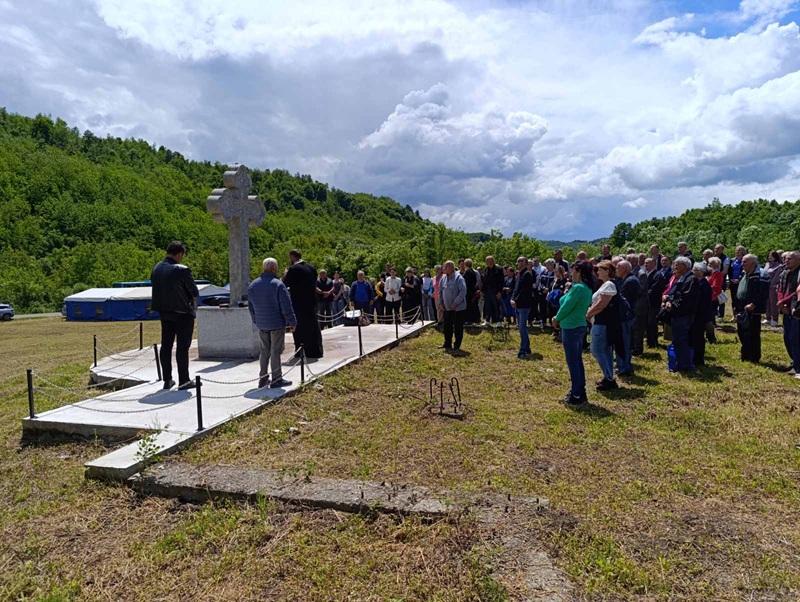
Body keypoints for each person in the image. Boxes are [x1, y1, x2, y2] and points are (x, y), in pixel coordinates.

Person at [151, 241, 199, 390]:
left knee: (166, 346)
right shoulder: (182, 270)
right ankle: (184, 380)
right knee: (182, 348)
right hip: (183, 313)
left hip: (165, 313)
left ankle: (167, 379)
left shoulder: (156, 268)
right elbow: (194, 292)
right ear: (179, 254)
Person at [248, 258, 296, 389]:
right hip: (276, 323)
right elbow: (286, 306)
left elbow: (251, 307)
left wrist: (256, 320)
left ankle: (263, 378)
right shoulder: (278, 285)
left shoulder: (253, 285)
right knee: (276, 351)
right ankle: (276, 379)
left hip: (262, 324)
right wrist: (292, 321)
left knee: (264, 351)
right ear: (274, 269)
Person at [554, 261, 594, 406]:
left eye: (573, 270)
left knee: (573, 362)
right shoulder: (587, 288)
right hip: (579, 326)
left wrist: (556, 318)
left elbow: (566, 306)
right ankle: (580, 391)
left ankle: (576, 393)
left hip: (571, 327)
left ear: (579, 272)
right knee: (577, 360)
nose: (571, 273)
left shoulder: (577, 288)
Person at [586, 260, 622, 391]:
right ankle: (608, 376)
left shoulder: (609, 285)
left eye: (600, 270)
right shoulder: (606, 285)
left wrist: (589, 314)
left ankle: (609, 378)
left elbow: (601, 304)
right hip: (602, 323)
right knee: (605, 350)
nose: (597, 272)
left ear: (607, 271)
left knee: (596, 349)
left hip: (603, 323)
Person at [283, 250, 324, 358]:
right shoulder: (312, 268)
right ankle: (316, 350)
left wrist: (285, 274)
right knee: (313, 326)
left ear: (292, 257)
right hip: (311, 301)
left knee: (300, 328)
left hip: (298, 303)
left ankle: (301, 350)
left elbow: (285, 283)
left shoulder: (293, 269)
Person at [664, 256, 697, 372]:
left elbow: (685, 298)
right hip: (678, 314)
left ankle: (685, 365)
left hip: (683, 315)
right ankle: (681, 363)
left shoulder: (691, 279)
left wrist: (672, 305)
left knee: (681, 340)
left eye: (676, 265)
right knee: (678, 340)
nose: (674, 267)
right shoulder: (683, 278)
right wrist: (669, 301)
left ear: (684, 266)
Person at [736, 254, 770, 363]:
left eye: (745, 261)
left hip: (753, 308)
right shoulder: (743, 273)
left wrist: (754, 304)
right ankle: (745, 354)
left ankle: (754, 356)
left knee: (752, 332)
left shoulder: (761, 274)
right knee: (742, 331)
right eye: (742, 261)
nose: (742, 263)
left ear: (753, 263)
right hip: (742, 305)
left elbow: (763, 293)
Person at [614, 260, 639, 376]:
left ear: (624, 268)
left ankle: (625, 367)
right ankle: (622, 365)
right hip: (623, 315)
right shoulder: (624, 279)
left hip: (626, 316)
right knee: (622, 341)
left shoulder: (630, 281)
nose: (616, 270)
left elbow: (622, 299)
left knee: (624, 342)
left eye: (617, 268)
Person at [778, 251, 800, 375]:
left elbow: (796, 292)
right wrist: (781, 302)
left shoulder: (799, 274)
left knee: (794, 338)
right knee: (787, 337)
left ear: (798, 260)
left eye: (790, 259)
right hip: (785, 308)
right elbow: (780, 288)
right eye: (785, 259)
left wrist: (783, 301)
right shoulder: (785, 273)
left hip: (795, 309)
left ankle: (797, 366)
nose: (786, 261)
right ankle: (794, 361)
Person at [438, 260, 467, 352]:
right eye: (444, 267)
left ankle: (457, 345)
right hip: (446, 307)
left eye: (446, 267)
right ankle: (447, 343)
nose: (444, 269)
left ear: (451, 267)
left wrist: (455, 303)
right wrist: (440, 303)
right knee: (447, 326)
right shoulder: (443, 278)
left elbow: (463, 291)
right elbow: (440, 292)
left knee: (458, 327)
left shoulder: (459, 278)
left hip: (457, 308)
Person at [690, 263, 712, 366]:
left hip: (700, 315)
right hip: (696, 314)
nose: (692, 272)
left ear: (701, 272)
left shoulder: (704, 284)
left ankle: (699, 360)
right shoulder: (698, 283)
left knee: (698, 337)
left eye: (695, 270)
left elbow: (701, 302)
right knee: (694, 336)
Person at [511, 256, 533, 358]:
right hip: (518, 304)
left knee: (522, 327)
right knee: (521, 327)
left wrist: (516, 300)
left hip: (524, 305)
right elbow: (516, 288)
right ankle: (526, 347)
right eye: (517, 261)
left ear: (524, 262)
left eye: (519, 261)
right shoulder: (519, 274)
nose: (517, 263)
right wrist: (512, 298)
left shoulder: (527, 274)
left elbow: (525, 290)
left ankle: (523, 349)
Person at [645, 257, 666, 348]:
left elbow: (655, 289)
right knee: (647, 323)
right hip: (646, 303)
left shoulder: (657, 275)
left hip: (653, 303)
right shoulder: (646, 274)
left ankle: (653, 341)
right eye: (645, 263)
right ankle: (649, 340)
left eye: (648, 263)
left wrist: (645, 295)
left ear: (654, 264)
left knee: (652, 322)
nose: (645, 265)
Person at [632, 255, 649, 356]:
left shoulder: (641, 274)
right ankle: (633, 347)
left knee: (638, 329)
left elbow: (642, 289)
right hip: (633, 305)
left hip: (639, 305)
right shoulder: (632, 273)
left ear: (634, 262)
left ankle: (638, 349)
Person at [481, 256, 504, 326]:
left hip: (495, 291)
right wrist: (482, 291)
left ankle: (499, 321)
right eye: (487, 261)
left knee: (496, 306)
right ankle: (487, 320)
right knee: (487, 306)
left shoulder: (498, 269)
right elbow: (484, 281)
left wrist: (500, 291)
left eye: (490, 261)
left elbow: (501, 281)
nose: (488, 262)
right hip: (487, 291)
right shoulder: (486, 270)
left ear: (493, 261)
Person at [765, 250, 784, 327]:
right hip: (765, 286)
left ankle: (775, 319)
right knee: (767, 303)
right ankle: (768, 318)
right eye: (769, 256)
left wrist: (771, 284)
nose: (770, 257)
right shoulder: (766, 264)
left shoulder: (779, 266)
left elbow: (776, 277)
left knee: (773, 303)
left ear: (776, 257)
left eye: (772, 256)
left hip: (773, 287)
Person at [706, 257, 723, 342]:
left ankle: (711, 337)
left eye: (711, 263)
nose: (708, 265)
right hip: (707, 298)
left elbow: (716, 287)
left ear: (716, 265)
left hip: (713, 298)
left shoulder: (718, 274)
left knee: (710, 318)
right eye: (708, 263)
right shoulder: (709, 274)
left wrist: (705, 288)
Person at [729, 246, 746, 318]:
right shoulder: (732, 260)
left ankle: (741, 312)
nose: (737, 252)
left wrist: (739, 279)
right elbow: (729, 271)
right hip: (732, 281)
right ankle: (734, 314)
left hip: (741, 281)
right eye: (736, 250)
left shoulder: (745, 260)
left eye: (738, 250)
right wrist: (731, 279)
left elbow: (744, 271)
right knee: (734, 298)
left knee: (740, 298)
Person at [714, 244, 731, 319]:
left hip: (721, 280)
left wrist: (717, 277)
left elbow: (725, 271)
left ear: (722, 250)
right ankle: (714, 313)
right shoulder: (713, 257)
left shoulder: (726, 259)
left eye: (718, 249)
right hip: (712, 280)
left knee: (721, 296)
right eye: (715, 248)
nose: (716, 250)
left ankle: (721, 315)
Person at [463, 259, 479, 325]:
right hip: (473, 290)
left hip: (468, 291)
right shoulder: (473, 272)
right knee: (473, 305)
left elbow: (465, 282)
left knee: (468, 306)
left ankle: (468, 320)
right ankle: (474, 319)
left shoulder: (467, 272)